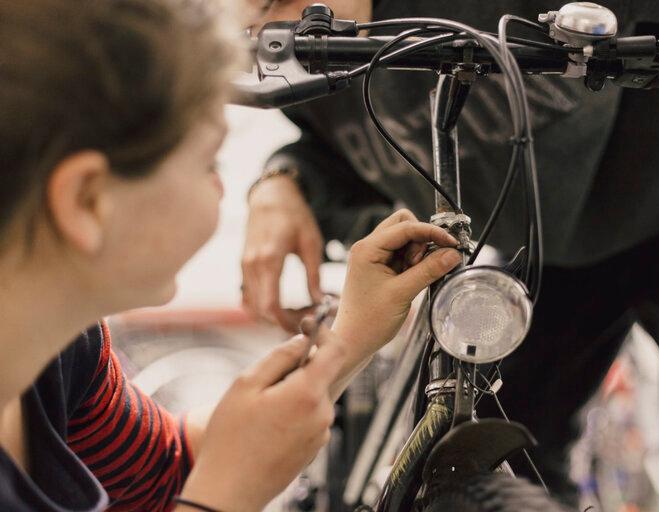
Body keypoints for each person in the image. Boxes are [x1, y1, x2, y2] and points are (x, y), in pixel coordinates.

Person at [241, 0, 659, 509]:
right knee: (512, 440)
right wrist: (282, 180)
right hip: (553, 234)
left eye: (271, 1)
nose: (264, 28)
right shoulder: (303, 57)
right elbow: (343, 153)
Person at [0, 0, 464, 511]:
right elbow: (208, 485)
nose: (223, 189)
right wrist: (224, 499)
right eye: (209, 162)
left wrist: (349, 338)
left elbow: (164, 473)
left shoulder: (64, 350)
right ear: (87, 201)